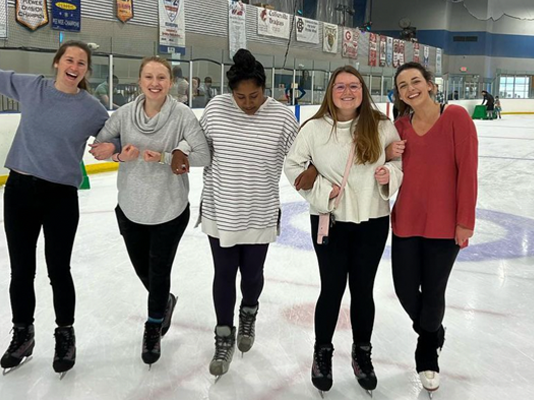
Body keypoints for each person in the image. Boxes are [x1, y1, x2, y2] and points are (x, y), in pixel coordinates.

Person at [0, 36, 114, 376]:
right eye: (69, 60)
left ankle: (65, 334)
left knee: (59, 271)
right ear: (58, 62)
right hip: (19, 192)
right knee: (21, 271)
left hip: (60, 196)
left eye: (81, 63)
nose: (74, 67)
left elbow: (114, 134)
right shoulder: (34, 88)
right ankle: (23, 334)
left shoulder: (92, 109)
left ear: (87, 71)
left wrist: (114, 148)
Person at [284, 65, 403, 396]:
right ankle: (322, 352)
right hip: (330, 221)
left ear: (363, 91)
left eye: (354, 86)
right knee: (332, 288)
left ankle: (361, 353)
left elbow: (397, 164)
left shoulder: (381, 126)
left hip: (372, 221)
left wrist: (390, 176)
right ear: (330, 92)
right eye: (340, 86)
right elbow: (292, 166)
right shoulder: (314, 128)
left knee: (363, 290)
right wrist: (322, 191)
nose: (347, 92)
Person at [92, 56, 210, 366]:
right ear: (140, 81)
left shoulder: (182, 115)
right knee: (143, 270)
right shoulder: (125, 114)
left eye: (161, 77)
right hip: (130, 208)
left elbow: (203, 155)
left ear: (171, 83)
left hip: (169, 210)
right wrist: (118, 155)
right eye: (148, 77)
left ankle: (153, 325)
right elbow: (100, 147)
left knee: (158, 272)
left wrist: (168, 155)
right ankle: (165, 301)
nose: (155, 83)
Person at [197, 49, 298, 378]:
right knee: (224, 275)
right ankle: (223, 335)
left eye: (254, 96)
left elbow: (303, 155)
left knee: (252, 275)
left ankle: (249, 312)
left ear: (265, 89)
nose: (247, 103)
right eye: (240, 96)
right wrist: (179, 153)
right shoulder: (215, 109)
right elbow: (198, 147)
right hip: (220, 208)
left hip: (260, 211)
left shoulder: (282, 117)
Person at [389, 61, 478, 394]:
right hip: (406, 221)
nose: (410, 88)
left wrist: (464, 221)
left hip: (444, 225)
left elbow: (468, 171)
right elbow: (380, 159)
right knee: (404, 289)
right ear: (399, 94)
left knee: (434, 292)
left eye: (416, 81)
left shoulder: (455, 117)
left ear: (430, 85)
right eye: (402, 85)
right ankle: (433, 333)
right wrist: (387, 151)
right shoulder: (399, 126)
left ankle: (427, 353)